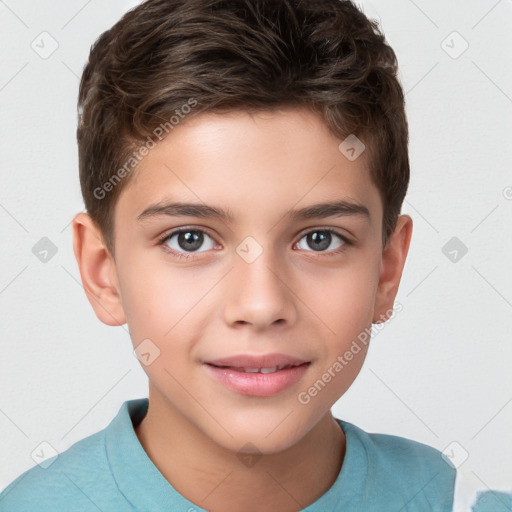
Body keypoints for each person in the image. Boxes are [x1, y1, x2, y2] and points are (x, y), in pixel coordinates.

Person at [0, 0, 457, 510]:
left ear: (386, 271)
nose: (260, 305)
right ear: (102, 272)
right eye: (189, 239)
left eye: (319, 239)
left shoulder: (451, 499)